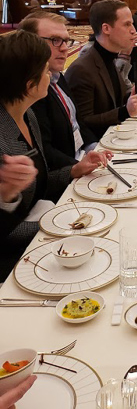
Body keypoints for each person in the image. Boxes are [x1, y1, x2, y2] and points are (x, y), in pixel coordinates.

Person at [0, 32, 109, 280]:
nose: (51, 75)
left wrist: (74, 170)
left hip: (39, 223)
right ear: (29, 85)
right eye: (45, 71)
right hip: (12, 252)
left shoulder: (28, 116)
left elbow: (41, 182)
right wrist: (5, 196)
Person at [18, 11, 98, 169]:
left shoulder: (58, 76)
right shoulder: (30, 91)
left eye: (66, 41)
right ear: (30, 43)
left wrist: (93, 147)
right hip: (64, 173)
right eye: (55, 40)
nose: (64, 49)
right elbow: (45, 153)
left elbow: (77, 121)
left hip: (80, 157)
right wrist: (78, 167)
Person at [65, 0, 137, 139]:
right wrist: (125, 112)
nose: (134, 31)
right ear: (106, 29)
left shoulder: (108, 57)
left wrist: (132, 94)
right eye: (127, 24)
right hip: (98, 148)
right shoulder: (82, 70)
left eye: (132, 24)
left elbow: (110, 101)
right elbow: (83, 123)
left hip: (114, 137)